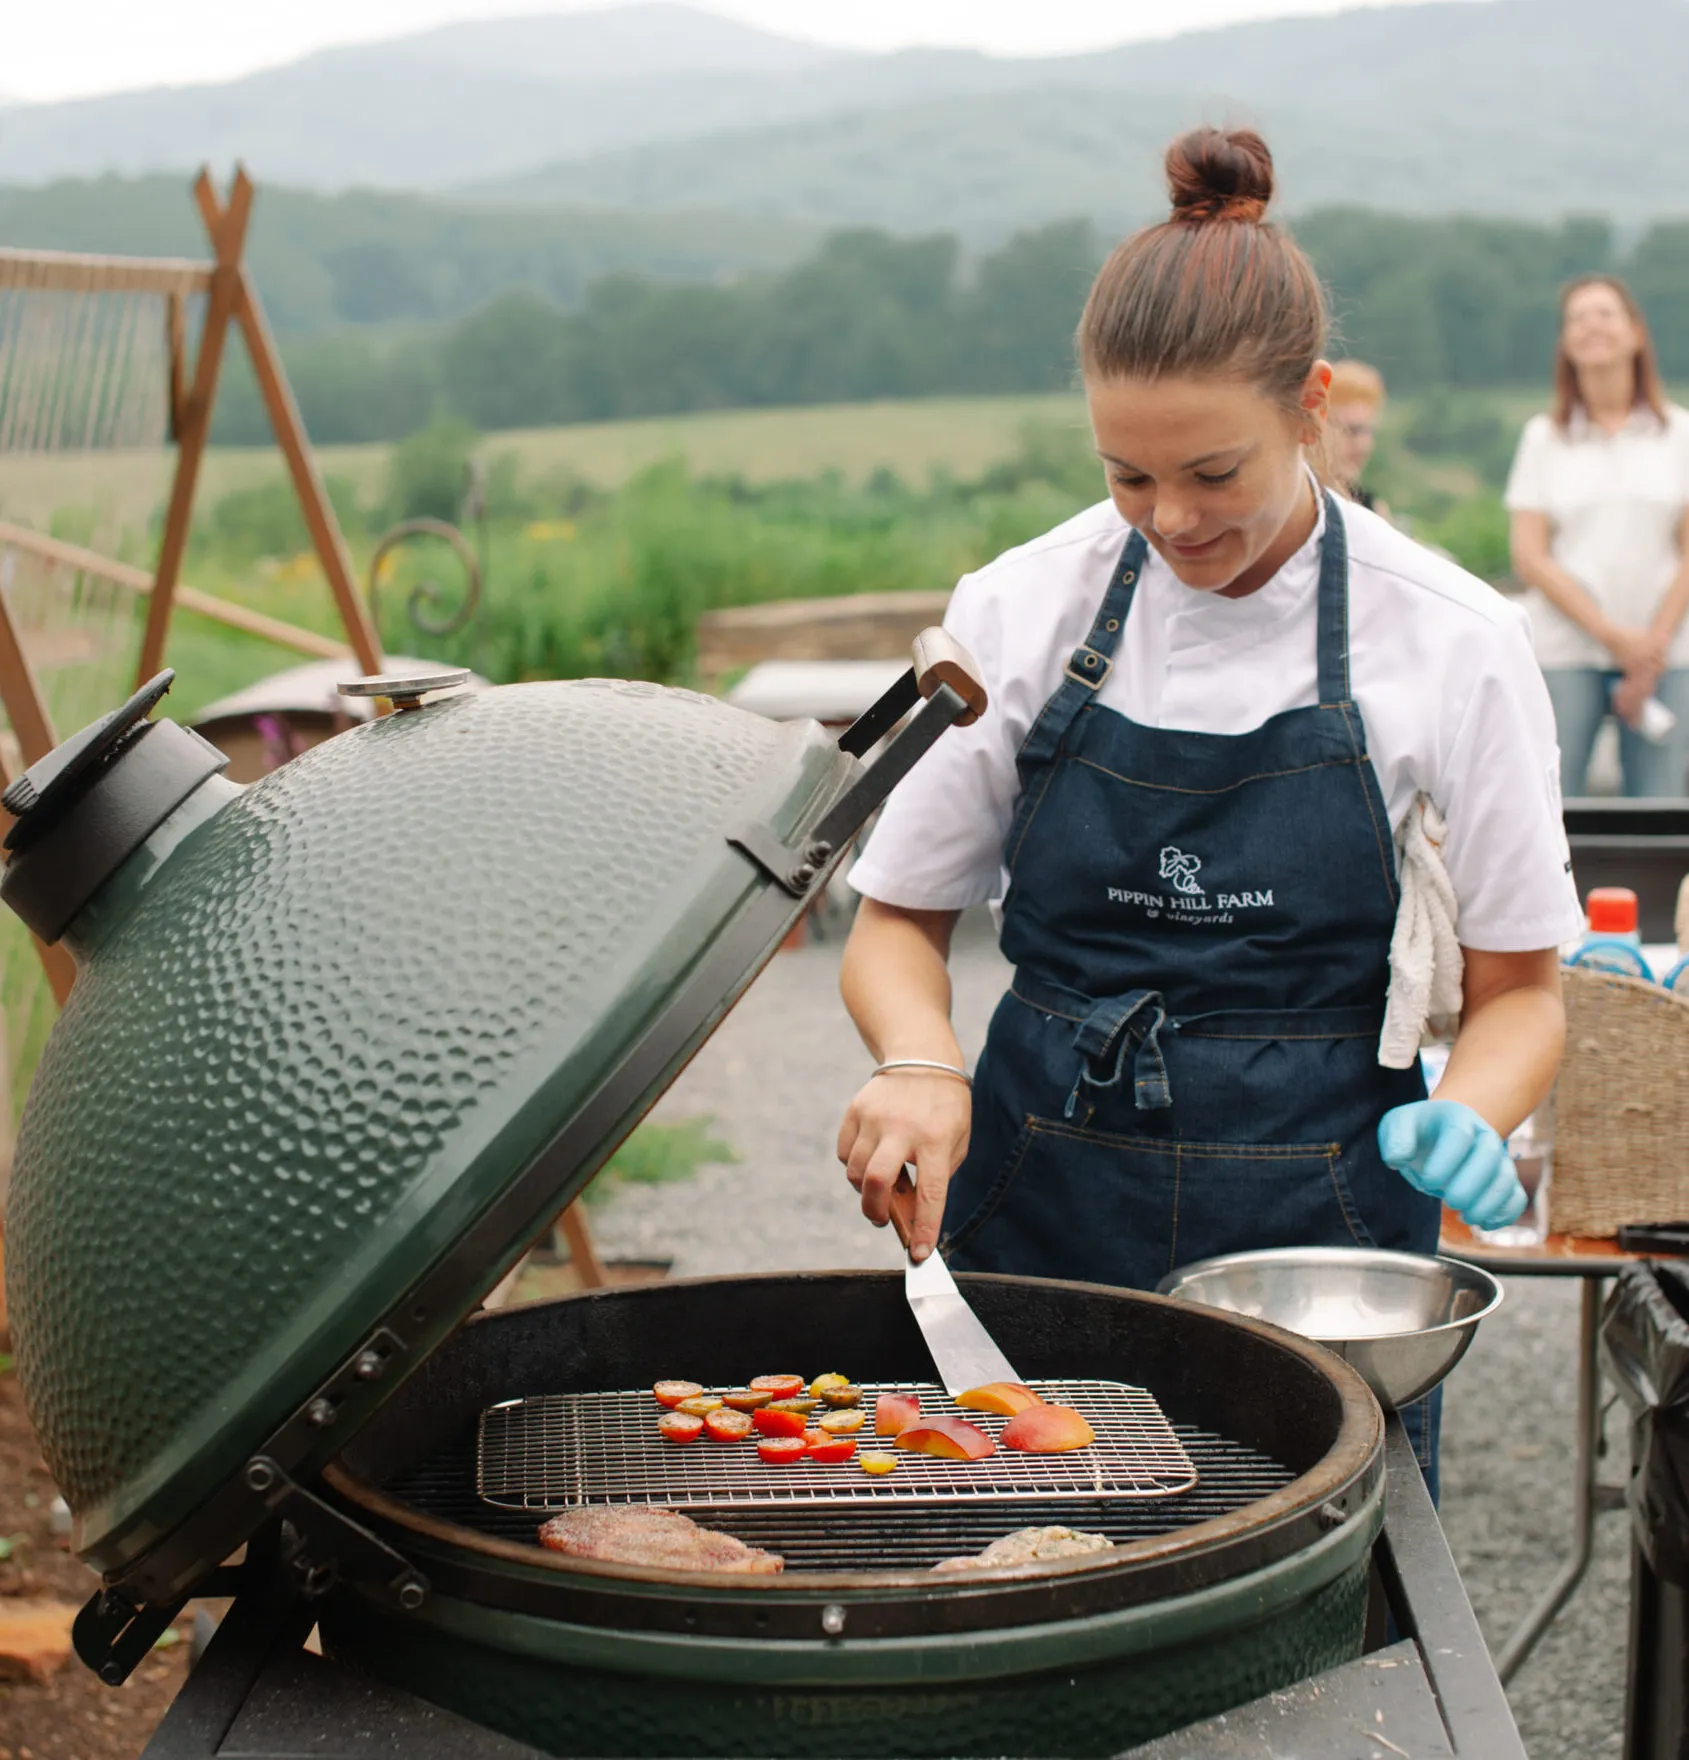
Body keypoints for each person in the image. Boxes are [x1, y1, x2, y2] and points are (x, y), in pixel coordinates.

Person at [835, 127, 1577, 1496]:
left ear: (1310, 404)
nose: (1168, 520)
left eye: (1212, 474)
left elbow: (1523, 990)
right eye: (1127, 475)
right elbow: (894, 922)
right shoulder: (1020, 605)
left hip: (1321, 1230)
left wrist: (1470, 1112)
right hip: (1037, 1191)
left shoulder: (1455, 638)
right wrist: (919, 1063)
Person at [1506, 276, 1689, 797]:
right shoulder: (1545, 437)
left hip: (1668, 655)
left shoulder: (1678, 433)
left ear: (1635, 333)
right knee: (1552, 803)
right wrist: (1614, 638)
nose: (1592, 326)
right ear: (1566, 343)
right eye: (1578, 318)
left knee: (1659, 809)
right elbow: (1531, 555)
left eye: (1605, 313)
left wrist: (1648, 647)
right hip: (1569, 652)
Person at [1327, 359, 1390, 516]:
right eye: (1351, 431)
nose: (1363, 445)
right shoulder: (1296, 510)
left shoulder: (1373, 509)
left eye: (1368, 432)